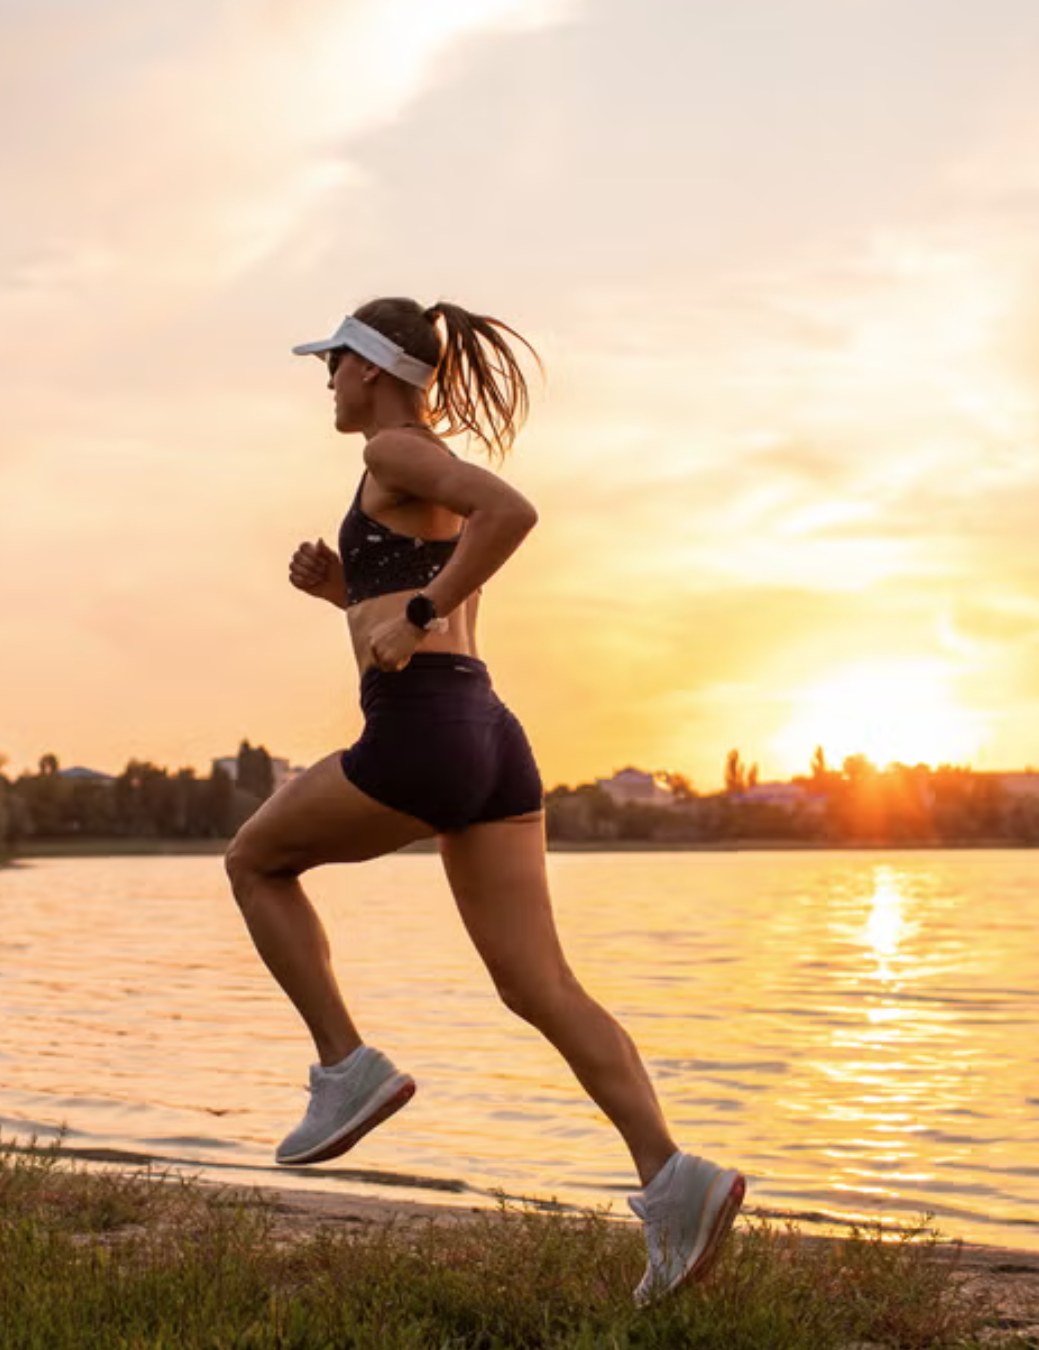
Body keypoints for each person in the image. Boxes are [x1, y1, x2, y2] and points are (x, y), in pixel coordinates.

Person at [225, 297, 745, 1305]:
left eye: (329, 366)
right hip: (489, 736)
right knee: (538, 983)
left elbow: (511, 513)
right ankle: (673, 1181)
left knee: (253, 862)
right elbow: (447, 580)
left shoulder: (395, 451)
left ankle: (346, 1067)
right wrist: (350, 595)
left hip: (423, 729)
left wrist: (408, 613)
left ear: (368, 369)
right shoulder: (405, 475)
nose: (324, 384)